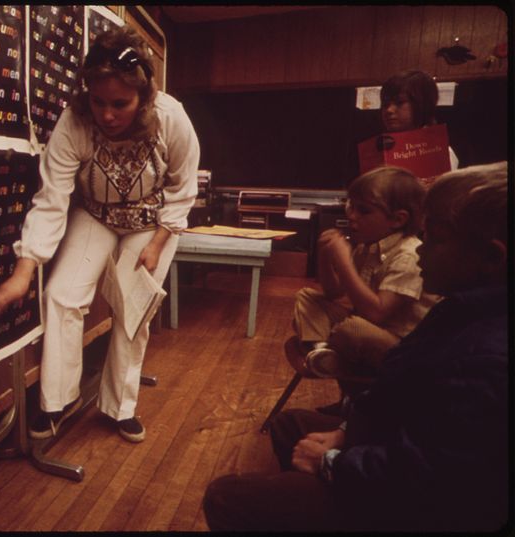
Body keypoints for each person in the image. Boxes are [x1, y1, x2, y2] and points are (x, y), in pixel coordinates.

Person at [203, 161, 509, 532]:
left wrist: (332, 461)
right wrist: (348, 431)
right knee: (289, 425)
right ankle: (324, 366)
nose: (423, 250)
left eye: (436, 239)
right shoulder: (461, 309)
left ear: (492, 259)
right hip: (397, 438)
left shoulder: (490, 357)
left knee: (224, 496)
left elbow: (428, 474)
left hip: (412, 503)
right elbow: (400, 395)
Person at [0, 27, 200, 443]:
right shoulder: (74, 122)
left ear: (145, 97)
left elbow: (182, 188)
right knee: (62, 295)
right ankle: (56, 401)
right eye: (98, 102)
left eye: (120, 104)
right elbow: (51, 200)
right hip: (97, 214)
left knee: (131, 312)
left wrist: (157, 245)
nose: (107, 114)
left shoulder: (171, 116)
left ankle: (120, 408)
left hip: (153, 222)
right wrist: (23, 272)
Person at [293, 166, 438, 379]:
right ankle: (322, 351)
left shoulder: (409, 255)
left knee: (352, 328)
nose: (352, 216)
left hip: (400, 347)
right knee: (306, 297)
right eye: (351, 206)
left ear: (397, 219)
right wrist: (325, 257)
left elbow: (377, 313)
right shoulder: (366, 247)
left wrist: (343, 262)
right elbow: (334, 293)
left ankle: (331, 356)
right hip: (369, 328)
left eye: (364, 211)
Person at [380, 69, 459, 170]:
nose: (389, 110)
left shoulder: (439, 152)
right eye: (385, 104)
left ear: (421, 105)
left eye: (399, 102)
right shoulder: (382, 150)